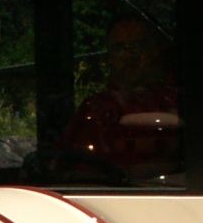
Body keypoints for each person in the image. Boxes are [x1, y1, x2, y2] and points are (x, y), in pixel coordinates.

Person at [54, 16, 180, 178]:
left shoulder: (181, 103)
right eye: (119, 48)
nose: (129, 56)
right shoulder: (95, 110)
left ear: (156, 52)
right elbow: (74, 170)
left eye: (138, 46)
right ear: (109, 57)